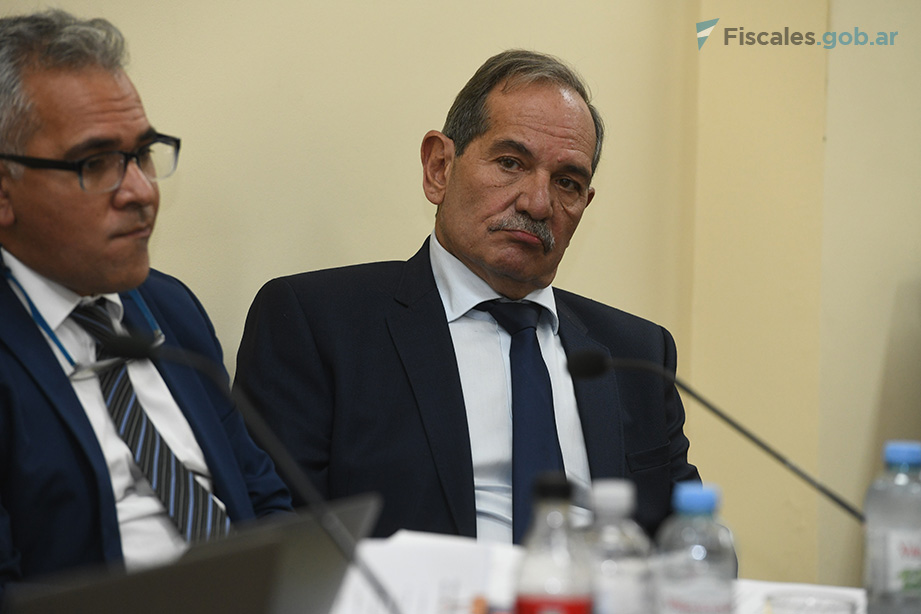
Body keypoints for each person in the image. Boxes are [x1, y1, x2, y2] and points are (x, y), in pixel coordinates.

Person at [235, 49, 698, 544]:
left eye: (567, 182)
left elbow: (691, 544)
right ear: (439, 167)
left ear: (585, 203)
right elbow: (274, 538)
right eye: (510, 163)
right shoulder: (317, 323)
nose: (537, 203)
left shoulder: (636, 355)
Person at [0, 10, 291, 601]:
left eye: (143, 153)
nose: (141, 191)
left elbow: (262, 498)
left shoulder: (167, 304)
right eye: (95, 163)